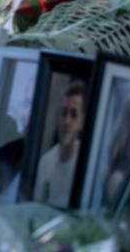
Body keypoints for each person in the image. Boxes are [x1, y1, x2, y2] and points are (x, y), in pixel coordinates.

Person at [33, 80, 86, 208]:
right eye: (63, 113)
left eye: (73, 115)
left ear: (82, 122)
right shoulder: (46, 162)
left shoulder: (85, 165)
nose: (67, 121)